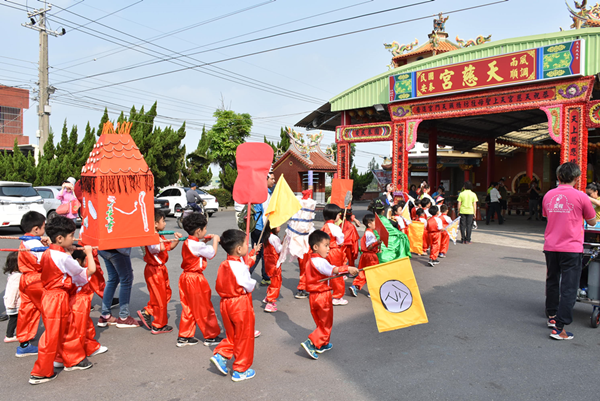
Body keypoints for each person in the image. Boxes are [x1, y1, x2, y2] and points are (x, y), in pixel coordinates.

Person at [29, 216, 96, 385]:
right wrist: (88, 253)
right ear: (60, 238)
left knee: (67, 327)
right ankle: (41, 371)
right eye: (71, 235)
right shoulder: (64, 258)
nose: (74, 239)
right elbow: (85, 272)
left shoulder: (49, 252)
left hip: (50, 296)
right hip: (57, 297)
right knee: (52, 335)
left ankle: (72, 359)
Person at [543, 162, 596, 340]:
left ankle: (551, 317)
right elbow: (593, 221)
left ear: (558, 177)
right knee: (569, 287)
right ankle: (559, 328)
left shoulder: (548, 195)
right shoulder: (581, 197)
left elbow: (546, 215)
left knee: (552, 281)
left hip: (550, 246)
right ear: (576, 178)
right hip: (571, 247)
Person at [210, 229, 260, 382]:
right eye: (246, 243)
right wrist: (253, 282)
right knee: (244, 336)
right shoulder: (240, 267)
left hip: (226, 303)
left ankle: (221, 355)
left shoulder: (226, 263)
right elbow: (248, 284)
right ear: (239, 249)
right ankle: (240, 369)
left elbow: (243, 265)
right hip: (240, 304)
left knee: (232, 334)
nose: (248, 245)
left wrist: (252, 253)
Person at [300, 230, 358, 359]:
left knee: (320, 322)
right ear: (315, 247)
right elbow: (333, 270)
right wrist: (348, 268)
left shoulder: (311, 260)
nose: (328, 248)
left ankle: (322, 343)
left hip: (313, 296)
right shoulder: (320, 261)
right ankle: (311, 342)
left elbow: (330, 270)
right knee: (326, 323)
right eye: (326, 245)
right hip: (322, 295)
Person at [177, 213, 222, 347]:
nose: (206, 231)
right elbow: (211, 253)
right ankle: (210, 336)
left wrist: (204, 240)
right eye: (204, 229)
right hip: (195, 279)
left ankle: (184, 336)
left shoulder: (188, 241)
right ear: (198, 231)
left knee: (188, 307)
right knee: (204, 307)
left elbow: (198, 248)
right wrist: (215, 240)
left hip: (185, 277)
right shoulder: (197, 245)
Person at [137, 210, 182, 335]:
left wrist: (176, 240)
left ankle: (148, 312)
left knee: (166, 294)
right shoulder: (152, 236)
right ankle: (158, 324)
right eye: (163, 221)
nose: (165, 224)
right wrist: (170, 240)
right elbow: (157, 248)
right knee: (159, 298)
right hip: (154, 270)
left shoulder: (158, 235)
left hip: (160, 269)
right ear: (155, 223)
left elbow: (169, 247)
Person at [16, 211, 47, 357]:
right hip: (37, 280)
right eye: (43, 226)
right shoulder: (35, 244)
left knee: (27, 310)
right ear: (36, 229)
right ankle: (56, 340)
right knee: (49, 310)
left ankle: (24, 343)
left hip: (25, 279)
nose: (44, 229)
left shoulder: (25, 240)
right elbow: (45, 261)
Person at [68, 249, 108, 360]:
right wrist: (89, 253)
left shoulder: (64, 269)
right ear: (77, 261)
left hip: (68, 301)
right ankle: (79, 353)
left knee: (69, 329)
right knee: (82, 328)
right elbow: (92, 269)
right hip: (79, 302)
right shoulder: (79, 272)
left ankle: (60, 356)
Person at [97, 246, 140, 328]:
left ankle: (105, 315)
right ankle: (124, 317)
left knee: (113, 279)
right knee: (126, 280)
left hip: (104, 247)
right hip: (118, 249)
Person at [250, 172, 276, 286]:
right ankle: (262, 276)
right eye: (272, 179)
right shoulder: (264, 194)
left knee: (257, 252)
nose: (273, 181)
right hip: (262, 228)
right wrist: (272, 228)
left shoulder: (257, 192)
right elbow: (266, 213)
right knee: (263, 253)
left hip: (255, 227)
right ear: (265, 180)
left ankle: (250, 272)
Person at [321, 204, 347, 306]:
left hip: (324, 252)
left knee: (326, 272)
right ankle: (337, 296)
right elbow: (341, 240)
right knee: (337, 273)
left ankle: (325, 292)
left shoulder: (324, 227)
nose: (340, 216)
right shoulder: (335, 228)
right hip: (334, 252)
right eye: (338, 214)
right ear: (334, 215)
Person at [349, 214, 380, 297]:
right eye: (375, 222)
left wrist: (378, 247)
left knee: (362, 272)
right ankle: (372, 291)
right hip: (370, 256)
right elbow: (370, 246)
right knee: (372, 273)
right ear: (369, 224)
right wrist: (378, 243)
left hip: (365, 256)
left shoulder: (368, 232)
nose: (376, 224)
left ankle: (355, 286)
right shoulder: (369, 233)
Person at [263, 223, 283, 313]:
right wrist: (285, 244)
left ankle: (268, 297)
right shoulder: (274, 238)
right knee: (276, 283)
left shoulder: (267, 237)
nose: (280, 226)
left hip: (268, 263)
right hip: (275, 264)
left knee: (272, 281)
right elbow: (279, 250)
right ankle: (270, 302)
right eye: (278, 225)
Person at [3, 252, 21, 343]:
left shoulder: (13, 274)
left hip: (12, 303)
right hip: (14, 304)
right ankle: (9, 335)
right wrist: (11, 304)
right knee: (14, 320)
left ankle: (13, 334)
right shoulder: (17, 276)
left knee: (15, 320)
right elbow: (13, 291)